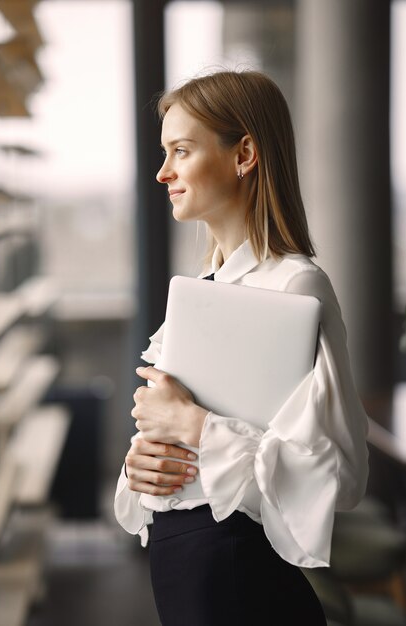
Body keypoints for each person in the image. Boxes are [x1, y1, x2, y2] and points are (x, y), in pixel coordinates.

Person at [114, 70, 369, 626]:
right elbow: (191, 455)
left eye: (181, 150)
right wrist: (144, 464)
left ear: (245, 154)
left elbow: (343, 478)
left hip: (236, 575)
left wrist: (196, 428)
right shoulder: (203, 289)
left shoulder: (296, 286)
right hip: (184, 567)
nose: (163, 173)